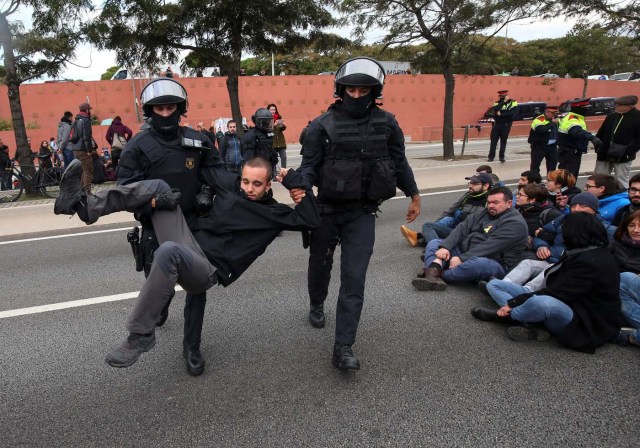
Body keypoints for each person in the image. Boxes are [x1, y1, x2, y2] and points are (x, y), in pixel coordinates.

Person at [54, 157, 320, 369]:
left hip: (207, 269)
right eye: (246, 181)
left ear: (267, 186)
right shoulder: (230, 187)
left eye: (257, 184)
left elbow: (310, 220)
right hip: (188, 241)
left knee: (168, 252)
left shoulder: (273, 214)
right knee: (158, 187)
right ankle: (84, 207)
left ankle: (141, 334)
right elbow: (202, 161)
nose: (249, 188)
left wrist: (296, 183)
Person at [294, 56, 421, 370]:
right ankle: (316, 301)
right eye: (351, 89)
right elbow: (309, 167)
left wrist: (414, 193)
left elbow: (399, 162)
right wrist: (301, 187)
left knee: (354, 280)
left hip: (362, 212)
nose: (356, 95)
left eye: (363, 90)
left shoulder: (387, 123)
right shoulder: (320, 125)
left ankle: (343, 347)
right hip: (326, 210)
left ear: (374, 91)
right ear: (341, 89)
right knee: (320, 265)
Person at [116, 77, 222, 375]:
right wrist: (152, 204)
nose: (165, 113)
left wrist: (207, 193)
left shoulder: (198, 140)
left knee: (196, 289)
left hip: (194, 223)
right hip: (155, 224)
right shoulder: (137, 146)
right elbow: (125, 190)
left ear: (180, 108)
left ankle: (192, 347)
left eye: (170, 107)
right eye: (159, 108)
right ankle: (159, 310)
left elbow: (218, 173)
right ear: (150, 111)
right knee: (157, 281)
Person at [471, 212, 622, 354]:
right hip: (566, 301)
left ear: (577, 232)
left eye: (565, 230)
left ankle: (508, 316)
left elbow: (559, 293)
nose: (562, 234)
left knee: (542, 302)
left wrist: (513, 302)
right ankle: (527, 320)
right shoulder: (582, 251)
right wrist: (518, 300)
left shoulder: (592, 262)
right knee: (495, 284)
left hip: (583, 318)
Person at [482, 192, 611, 295]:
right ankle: (505, 284)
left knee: (550, 269)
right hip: (548, 257)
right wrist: (541, 245)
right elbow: (540, 234)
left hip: (566, 264)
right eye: (573, 206)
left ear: (594, 210)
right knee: (528, 263)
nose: (576, 209)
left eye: (583, 206)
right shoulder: (563, 219)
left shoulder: (599, 227)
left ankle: (526, 293)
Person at [412, 186, 527, 291]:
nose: (491, 205)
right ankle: (434, 273)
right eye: (489, 202)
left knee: (477, 265)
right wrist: (445, 247)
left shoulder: (515, 223)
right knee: (434, 243)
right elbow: (461, 229)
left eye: (496, 203)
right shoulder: (483, 213)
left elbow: (490, 247)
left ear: (509, 203)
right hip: (464, 250)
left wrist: (461, 259)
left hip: (494, 261)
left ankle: (436, 272)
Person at [400, 173, 492, 247]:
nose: (470, 186)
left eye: (475, 184)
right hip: (459, 227)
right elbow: (450, 211)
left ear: (485, 186)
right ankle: (428, 240)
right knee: (443, 221)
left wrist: (462, 216)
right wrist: (435, 226)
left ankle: (429, 245)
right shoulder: (468, 195)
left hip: (468, 234)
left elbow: (486, 224)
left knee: (433, 226)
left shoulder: (491, 201)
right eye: (470, 183)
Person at [593, 95, 640, 189]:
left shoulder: (638, 117)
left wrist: (629, 152)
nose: (616, 107)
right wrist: (598, 147)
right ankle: (600, 198)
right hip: (604, 153)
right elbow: (600, 133)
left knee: (621, 180)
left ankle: (625, 202)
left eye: (619, 105)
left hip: (623, 155)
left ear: (629, 106)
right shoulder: (611, 116)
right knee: (599, 178)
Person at [611, 211, 640, 347]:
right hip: (619, 290)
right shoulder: (614, 244)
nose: (636, 230)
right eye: (632, 225)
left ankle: (633, 337)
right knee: (622, 279)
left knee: (626, 278)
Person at [557, 99, 603, 177]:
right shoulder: (572, 120)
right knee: (569, 177)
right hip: (570, 153)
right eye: (585, 108)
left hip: (568, 152)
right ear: (578, 108)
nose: (587, 110)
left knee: (565, 176)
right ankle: (569, 189)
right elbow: (577, 131)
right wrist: (592, 138)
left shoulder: (574, 117)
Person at [244, 108, 277, 178]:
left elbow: (269, 150)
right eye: (265, 122)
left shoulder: (267, 134)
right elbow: (249, 158)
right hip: (256, 172)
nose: (267, 124)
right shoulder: (251, 135)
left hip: (266, 169)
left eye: (269, 121)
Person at [487, 90, 518, 162]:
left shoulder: (513, 102)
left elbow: (513, 113)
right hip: (497, 124)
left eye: (502, 96)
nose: (500, 97)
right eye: (500, 96)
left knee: (503, 142)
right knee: (493, 141)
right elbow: (494, 109)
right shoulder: (497, 103)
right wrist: (503, 102)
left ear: (506, 95)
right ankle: (491, 157)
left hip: (506, 125)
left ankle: (501, 157)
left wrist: (502, 114)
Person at [71, 102, 95, 193]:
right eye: (89, 110)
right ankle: (87, 192)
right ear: (87, 110)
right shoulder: (86, 120)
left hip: (76, 148)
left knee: (85, 170)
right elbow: (86, 136)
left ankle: (81, 191)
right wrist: (89, 149)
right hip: (83, 149)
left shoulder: (76, 120)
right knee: (88, 170)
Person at [528, 106, 559, 174]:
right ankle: (534, 181)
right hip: (539, 146)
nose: (555, 115)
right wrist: (552, 123)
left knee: (552, 165)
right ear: (547, 112)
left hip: (552, 146)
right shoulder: (539, 119)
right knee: (535, 164)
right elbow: (540, 130)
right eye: (553, 113)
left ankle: (550, 180)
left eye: (556, 114)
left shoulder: (555, 119)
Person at [267, 103, 287, 168]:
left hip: (280, 141)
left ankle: (284, 172)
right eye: (271, 109)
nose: (273, 111)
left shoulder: (279, 118)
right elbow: (266, 130)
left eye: (274, 109)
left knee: (284, 157)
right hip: (272, 143)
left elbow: (281, 129)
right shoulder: (266, 119)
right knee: (274, 159)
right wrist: (273, 125)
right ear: (268, 110)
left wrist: (284, 126)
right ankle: (274, 174)